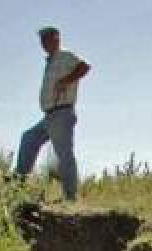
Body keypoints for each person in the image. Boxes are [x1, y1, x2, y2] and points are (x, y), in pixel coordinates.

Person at [14, 26, 91, 201]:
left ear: (57, 38)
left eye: (47, 39)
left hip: (62, 112)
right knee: (28, 138)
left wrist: (66, 80)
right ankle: (17, 184)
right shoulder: (51, 61)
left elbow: (85, 67)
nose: (44, 43)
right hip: (49, 115)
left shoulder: (65, 56)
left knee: (64, 154)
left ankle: (71, 197)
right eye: (42, 41)